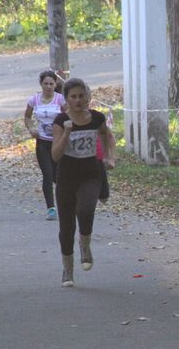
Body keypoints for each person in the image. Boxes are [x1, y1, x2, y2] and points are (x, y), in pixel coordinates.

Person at [51, 78, 116, 287]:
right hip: (67, 175)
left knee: (86, 210)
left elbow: (106, 135)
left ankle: (85, 245)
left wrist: (108, 156)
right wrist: (67, 132)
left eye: (81, 96)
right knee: (66, 226)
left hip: (90, 172)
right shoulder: (61, 121)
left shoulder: (96, 118)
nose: (78, 100)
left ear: (87, 96)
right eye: (73, 96)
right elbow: (55, 155)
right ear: (67, 99)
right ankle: (67, 270)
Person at [23, 70, 67, 220]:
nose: (48, 86)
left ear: (56, 84)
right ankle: (51, 209)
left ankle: (67, 201)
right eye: (46, 83)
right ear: (41, 84)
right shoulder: (34, 100)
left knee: (58, 176)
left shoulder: (60, 100)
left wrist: (65, 131)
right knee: (47, 175)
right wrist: (31, 129)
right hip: (42, 142)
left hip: (58, 142)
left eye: (51, 84)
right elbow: (27, 116)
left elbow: (69, 116)